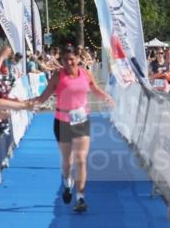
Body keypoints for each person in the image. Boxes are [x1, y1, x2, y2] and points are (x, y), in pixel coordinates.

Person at [27, 47, 114, 213]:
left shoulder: (85, 74)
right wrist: (26, 104)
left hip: (81, 120)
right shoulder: (57, 76)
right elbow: (43, 97)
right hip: (62, 121)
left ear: (78, 59)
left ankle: (80, 198)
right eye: (65, 60)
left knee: (81, 159)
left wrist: (106, 97)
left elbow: (94, 88)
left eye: (71, 59)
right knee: (68, 162)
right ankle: (67, 183)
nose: (68, 63)